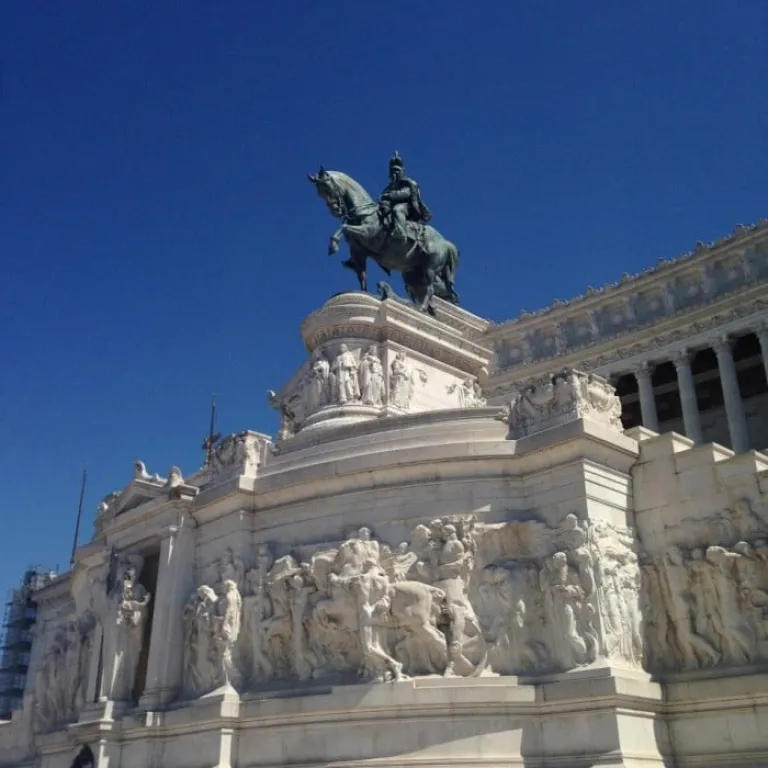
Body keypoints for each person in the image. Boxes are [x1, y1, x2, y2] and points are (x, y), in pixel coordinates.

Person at [379, 152, 432, 241]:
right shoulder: (389, 187)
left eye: (397, 170)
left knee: (397, 209)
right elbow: (383, 197)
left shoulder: (408, 183)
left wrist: (389, 196)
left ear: (401, 171)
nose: (394, 173)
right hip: (390, 207)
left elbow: (406, 193)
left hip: (408, 207)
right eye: (392, 171)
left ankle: (400, 233)